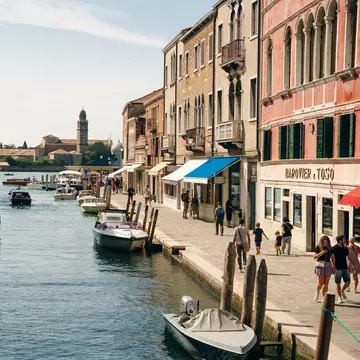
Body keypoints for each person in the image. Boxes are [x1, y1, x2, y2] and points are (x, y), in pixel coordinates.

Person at [331, 235, 353, 304]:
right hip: (338, 268)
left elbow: (348, 256)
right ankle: (339, 297)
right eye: (344, 239)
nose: (345, 240)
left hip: (345, 267)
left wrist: (352, 264)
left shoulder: (345, 248)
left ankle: (342, 291)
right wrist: (334, 268)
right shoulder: (334, 248)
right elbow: (333, 259)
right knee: (338, 284)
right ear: (340, 241)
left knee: (348, 282)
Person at [313, 235, 334, 302]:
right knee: (320, 283)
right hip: (320, 265)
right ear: (321, 242)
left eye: (326, 242)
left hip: (328, 265)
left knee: (326, 283)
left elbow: (332, 258)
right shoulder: (318, 247)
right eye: (323, 242)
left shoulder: (330, 248)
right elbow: (315, 257)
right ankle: (317, 292)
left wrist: (334, 267)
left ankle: (324, 298)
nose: (325, 243)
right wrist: (321, 253)